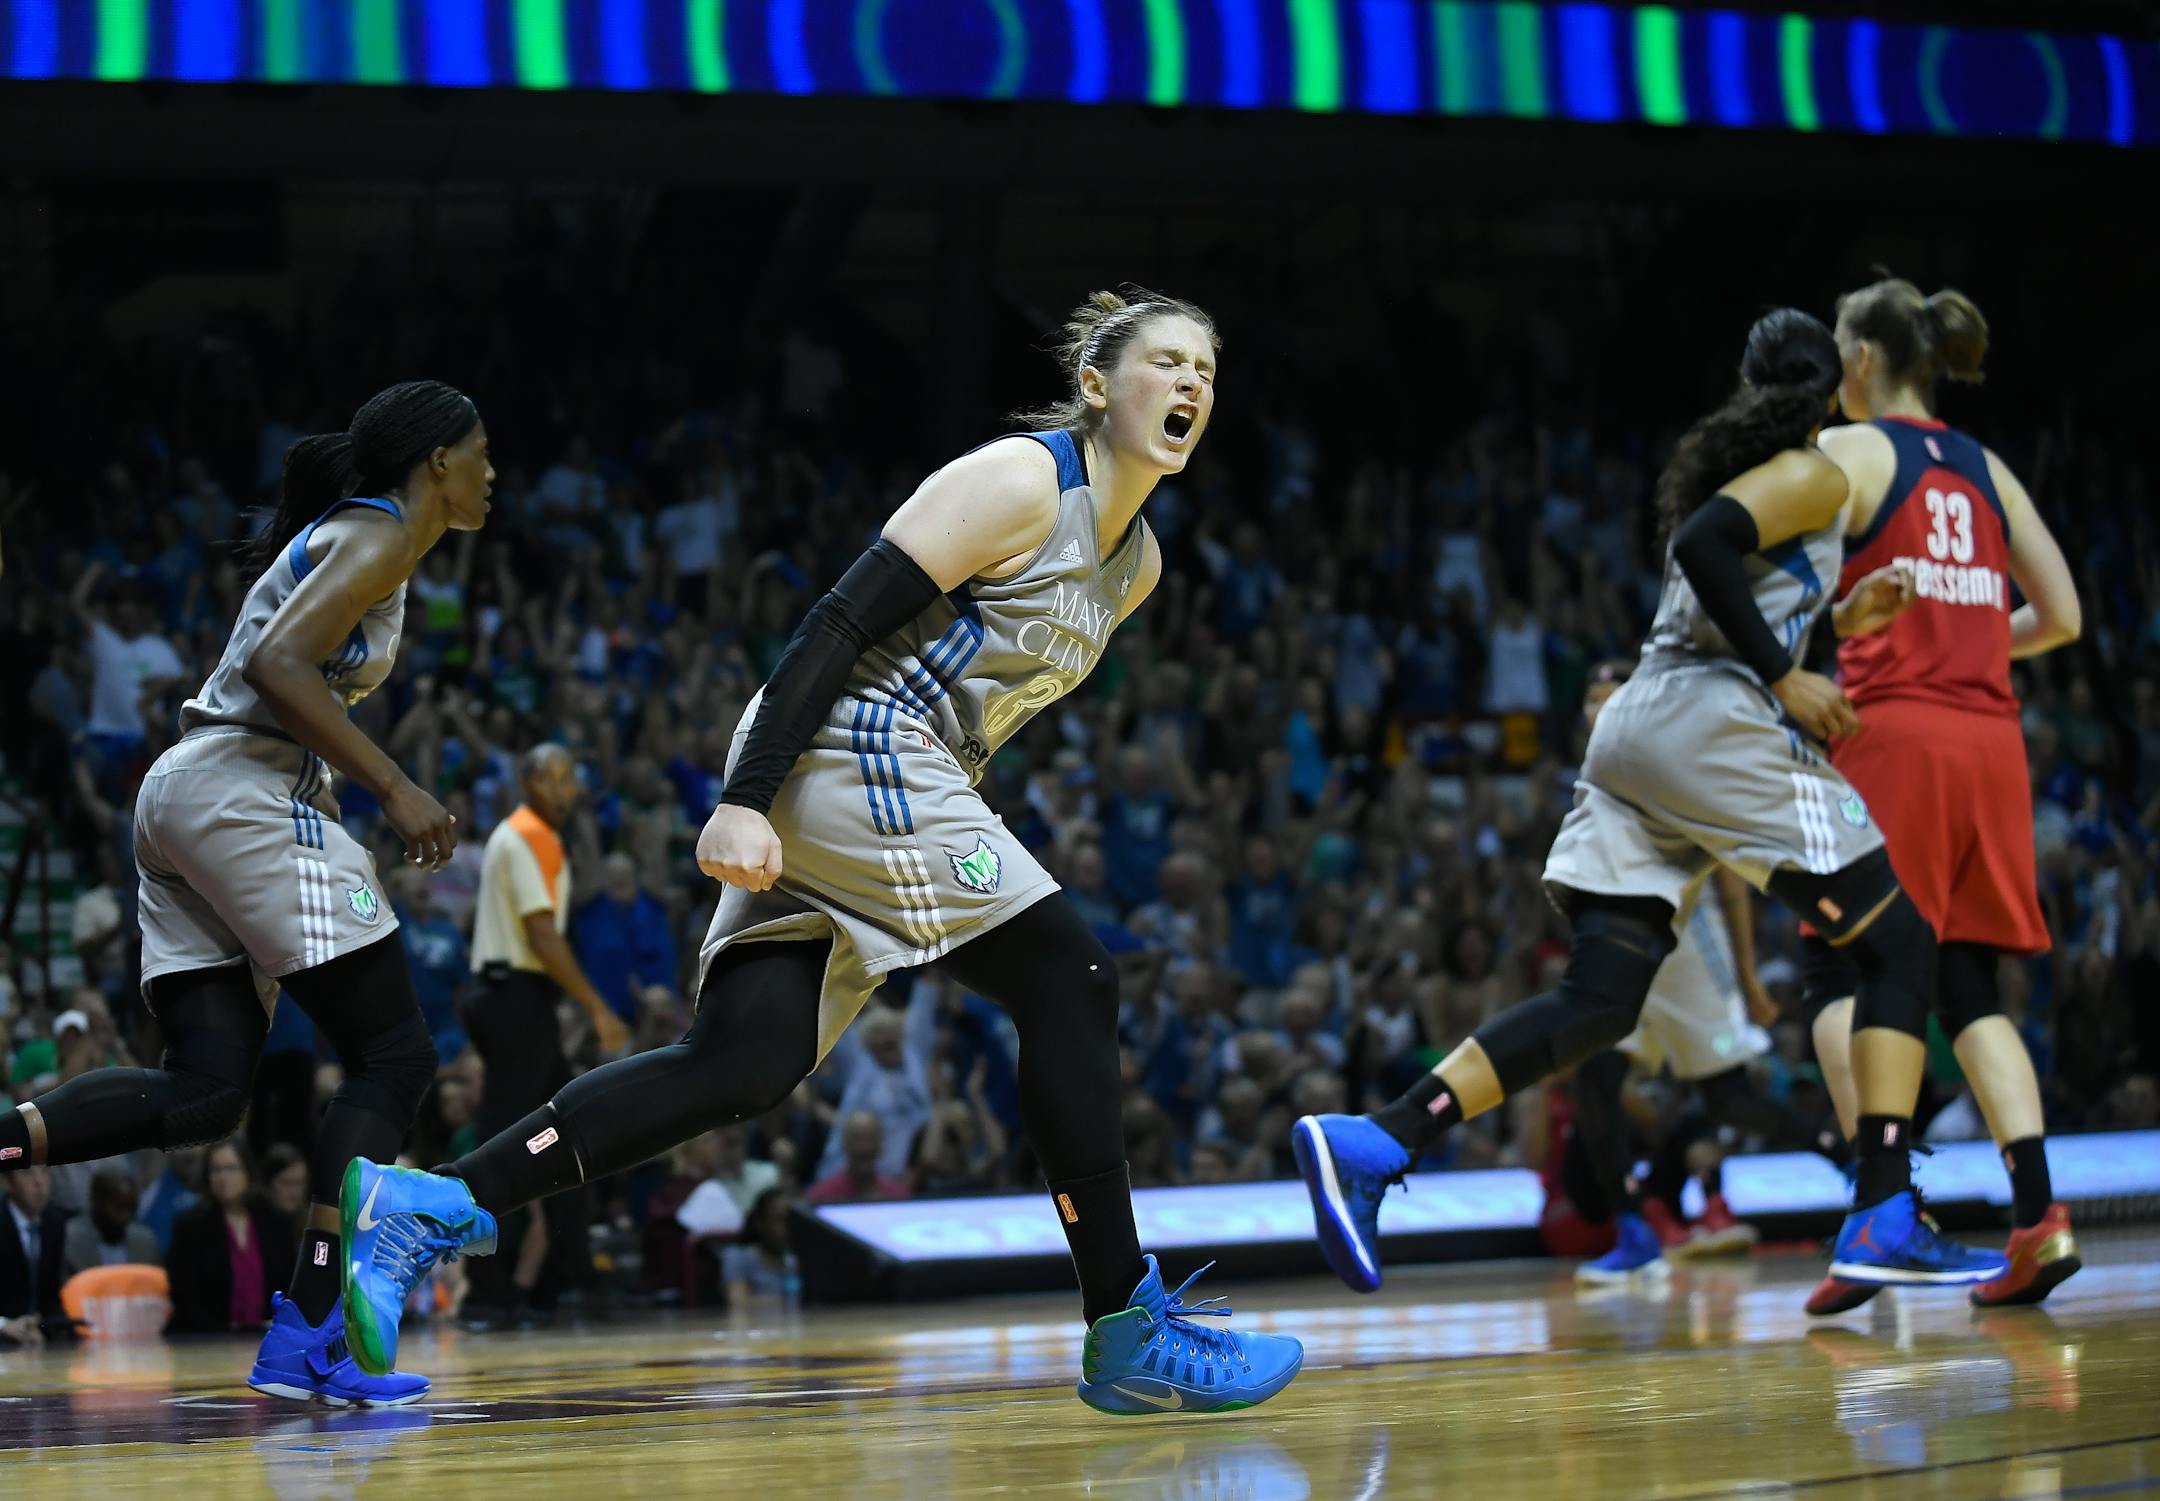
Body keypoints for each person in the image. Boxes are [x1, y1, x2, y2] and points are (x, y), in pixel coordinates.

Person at [342, 288, 1303, 1416]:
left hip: (899, 775)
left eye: (1206, 370)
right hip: (847, 744)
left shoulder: (1135, 567)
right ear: (1096, 385)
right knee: (1072, 977)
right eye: (1167, 361)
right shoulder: (1023, 481)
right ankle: (1126, 1320)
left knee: (740, 1064)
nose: (1191, 383)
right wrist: (743, 800)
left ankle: (435, 1203)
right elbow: (838, 624)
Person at [1292, 309, 2007, 1298]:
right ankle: (1884, 1208)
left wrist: (1839, 620)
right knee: (1897, 942)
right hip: (1712, 725)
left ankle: (1378, 1138)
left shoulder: (1742, 471)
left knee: (1599, 1004)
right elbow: (1713, 552)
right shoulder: (1816, 471)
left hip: (1640, 733)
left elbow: (1724, 581)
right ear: (1832, 384)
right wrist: (1787, 676)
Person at [0, 380, 492, 1404]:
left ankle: (11, 1136)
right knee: (396, 1054)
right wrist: (395, 786)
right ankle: (313, 1327)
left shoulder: (363, 538)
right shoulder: (381, 533)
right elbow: (276, 663)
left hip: (188, 794)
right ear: (437, 461)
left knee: (208, 1092)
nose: (493, 472)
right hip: (241, 792)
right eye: (481, 451)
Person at [1802, 278, 2085, 1314]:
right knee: (1966, 987)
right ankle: (2039, 1218)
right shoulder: (1986, 466)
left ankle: (1877, 1210)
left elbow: (1784, 599)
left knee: (1841, 969)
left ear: (1862, 358)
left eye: (1837, 349)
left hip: (1896, 738)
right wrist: (1968, 639)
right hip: (1990, 742)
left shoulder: (1848, 450)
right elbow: (2064, 615)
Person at [1570, 660, 1843, 1284]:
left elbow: (1732, 879)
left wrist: (1748, 978)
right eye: (1591, 696)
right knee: (1595, 1083)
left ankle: (1850, 1161)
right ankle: (1633, 1231)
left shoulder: (1676, 763)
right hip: (1623, 955)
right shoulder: (1590, 776)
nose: (1597, 707)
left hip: (1691, 952)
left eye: (1612, 695)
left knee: (1731, 1099)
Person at [460, 743, 626, 1325]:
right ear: (528, 783)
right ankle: (486, 1289)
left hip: (518, 1000)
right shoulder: (529, 834)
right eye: (551, 778)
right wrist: (597, 1009)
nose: (563, 790)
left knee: (564, 1134)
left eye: (570, 779)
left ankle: (567, 1275)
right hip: (515, 999)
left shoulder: (533, 836)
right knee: (507, 1141)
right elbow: (542, 935)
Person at [166, 1140, 299, 1336]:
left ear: (248, 1173)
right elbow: (185, 1297)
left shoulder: (275, 1224)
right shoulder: (190, 1227)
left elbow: (290, 1285)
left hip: (268, 1335)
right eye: (216, 1170)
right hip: (209, 1339)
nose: (223, 1178)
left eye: (231, 1169)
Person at [0, 1165, 68, 1347]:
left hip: (37, 1334)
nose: (39, 1182)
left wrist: (44, 1325)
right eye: (27, 1173)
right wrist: (3, 1325)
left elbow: (50, 1297)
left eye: (45, 1171)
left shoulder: (55, 1221)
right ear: (7, 1182)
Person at [60, 1164, 162, 1278]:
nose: (126, 1218)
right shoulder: (68, 1241)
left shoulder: (146, 1243)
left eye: (131, 1208)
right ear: (95, 1201)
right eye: (119, 1208)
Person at [722, 1187, 801, 1307]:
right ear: (759, 1222)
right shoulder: (738, 1256)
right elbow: (738, 1301)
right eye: (779, 1219)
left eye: (791, 1221)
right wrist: (784, 1301)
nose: (787, 1228)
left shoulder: (797, 1258)